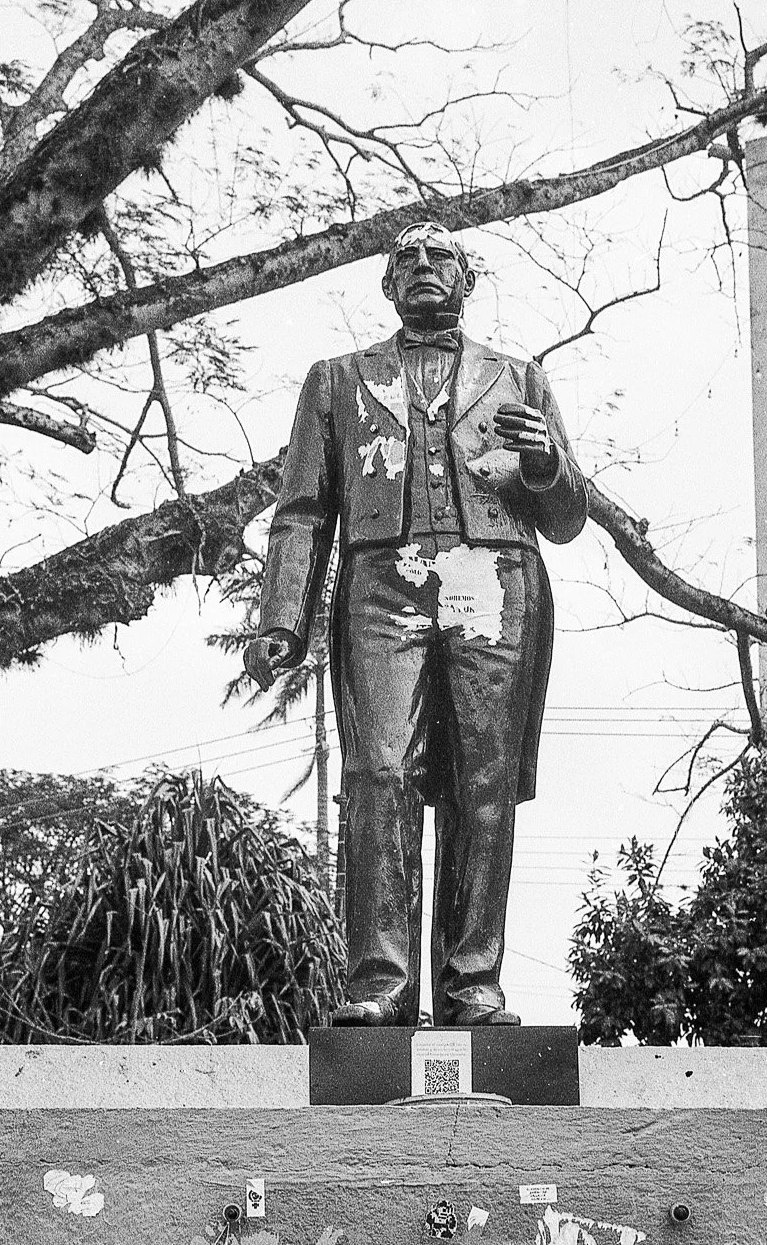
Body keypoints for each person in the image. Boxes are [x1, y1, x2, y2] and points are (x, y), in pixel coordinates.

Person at [244, 222, 586, 1027]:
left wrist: (545, 464)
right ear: (388, 286)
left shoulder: (519, 377)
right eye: (409, 260)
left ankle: (473, 985)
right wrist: (281, 619)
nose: (425, 267)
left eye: (442, 259)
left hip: (494, 579)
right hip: (381, 580)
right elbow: (300, 510)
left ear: (468, 281)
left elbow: (566, 518)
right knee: (378, 771)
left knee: (484, 782)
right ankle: (380, 982)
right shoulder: (335, 380)